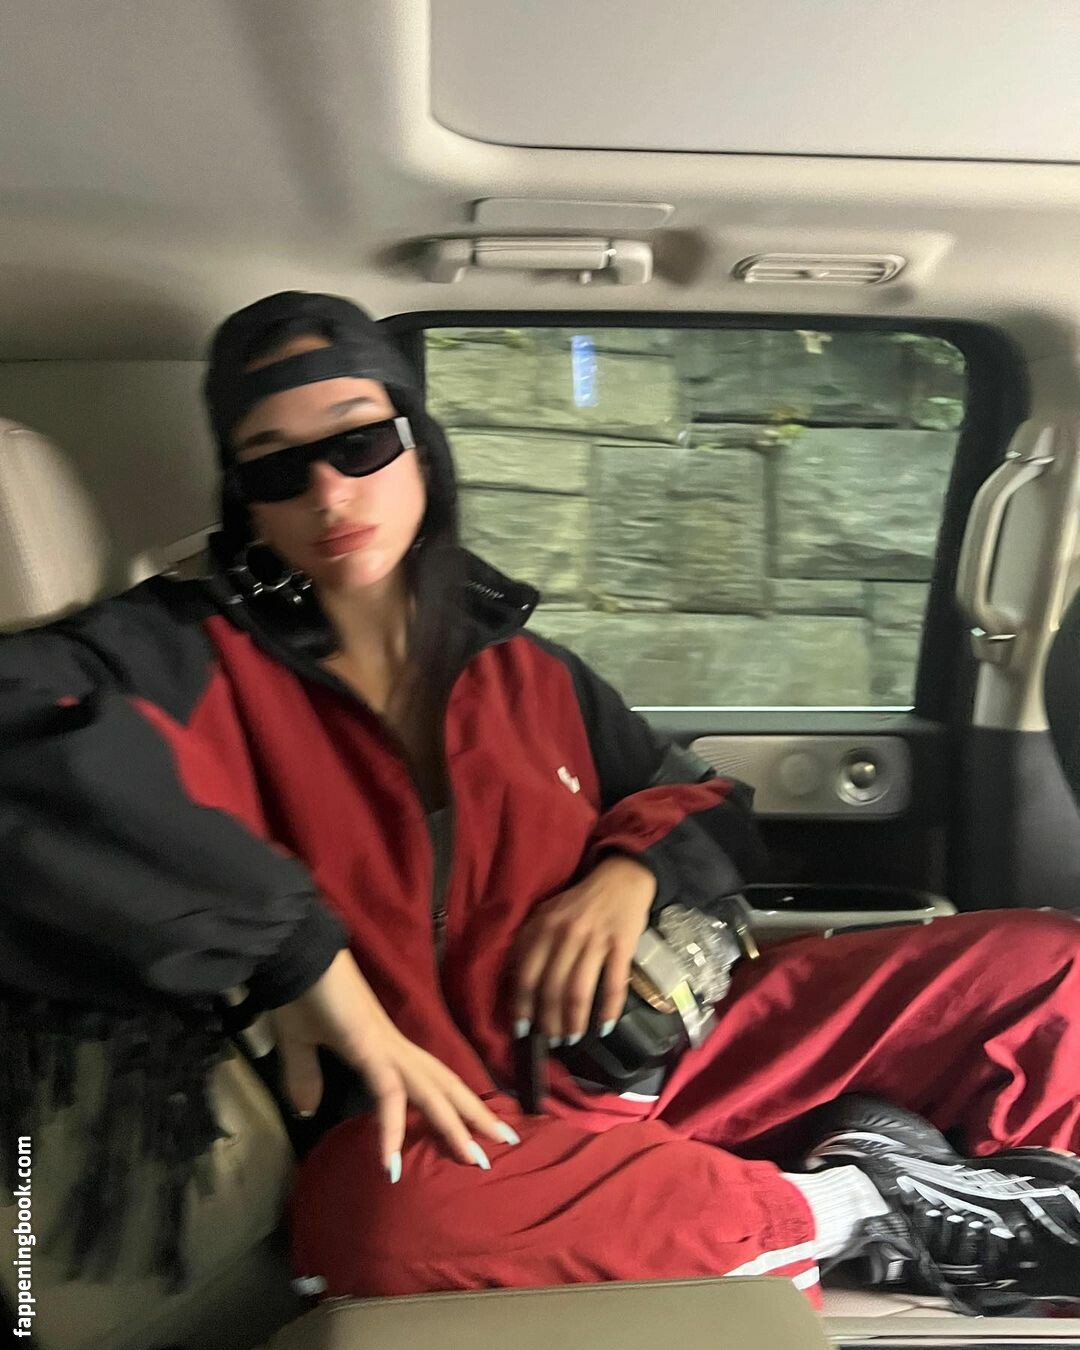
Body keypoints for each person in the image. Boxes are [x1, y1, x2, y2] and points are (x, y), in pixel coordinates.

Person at [1, 291, 1078, 1316]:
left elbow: (701, 796)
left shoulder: (522, 664)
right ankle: (868, 1208)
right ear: (245, 495)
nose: (328, 492)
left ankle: (1010, 1217)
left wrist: (629, 876)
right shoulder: (175, 656)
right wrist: (297, 953)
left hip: (658, 1056)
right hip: (449, 1131)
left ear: (418, 443)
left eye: (359, 442)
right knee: (387, 1229)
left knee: (1047, 970)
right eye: (277, 466)